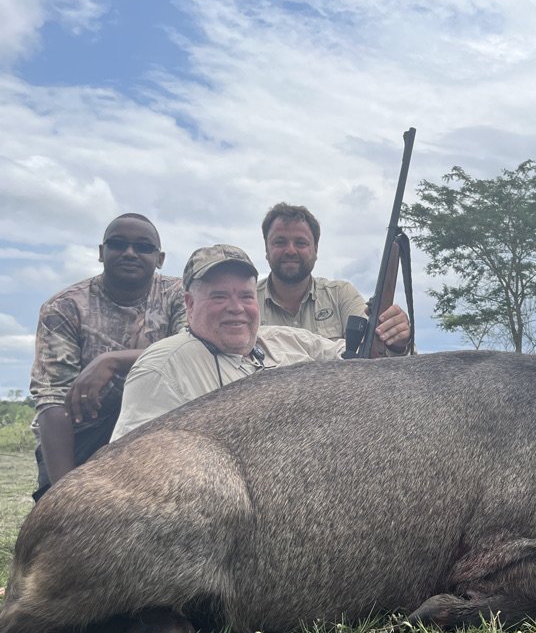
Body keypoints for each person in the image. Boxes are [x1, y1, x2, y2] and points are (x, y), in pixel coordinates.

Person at [111, 244, 347, 440]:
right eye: (219, 297)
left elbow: (354, 357)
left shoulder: (287, 339)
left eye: (246, 296)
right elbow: (135, 471)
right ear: (190, 303)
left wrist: (384, 331)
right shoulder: (161, 370)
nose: (236, 308)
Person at [29, 213, 185, 500]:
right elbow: (51, 402)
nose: (129, 253)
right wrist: (65, 492)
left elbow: (188, 351)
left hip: (157, 429)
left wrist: (111, 360)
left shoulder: (179, 295)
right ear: (102, 253)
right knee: (65, 528)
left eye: (143, 247)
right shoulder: (63, 307)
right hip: (82, 433)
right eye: (118, 244)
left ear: (159, 258)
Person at [256, 202, 412, 353]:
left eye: (301, 243)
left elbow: (375, 346)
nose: (290, 250)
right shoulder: (246, 303)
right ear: (266, 249)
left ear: (315, 249)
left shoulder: (341, 295)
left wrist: (396, 341)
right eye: (280, 242)